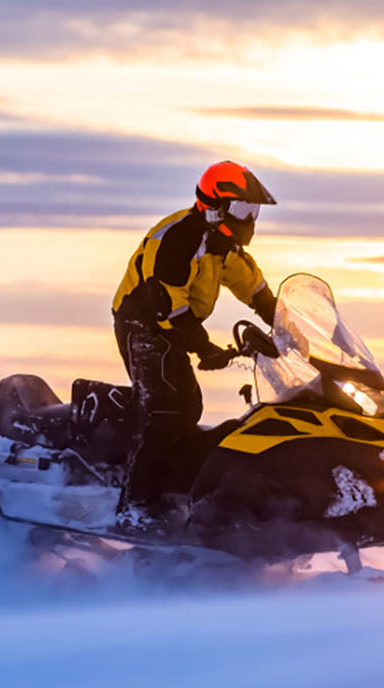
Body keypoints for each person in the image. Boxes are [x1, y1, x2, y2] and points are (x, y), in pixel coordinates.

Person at [110, 161, 278, 522]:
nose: (249, 219)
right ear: (214, 206)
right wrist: (205, 348)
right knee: (165, 408)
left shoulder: (223, 246)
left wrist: (290, 326)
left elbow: (256, 291)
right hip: (143, 322)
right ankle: (135, 507)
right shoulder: (181, 238)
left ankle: (175, 488)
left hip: (173, 325)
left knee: (191, 406)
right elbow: (167, 305)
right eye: (242, 209)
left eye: (253, 211)